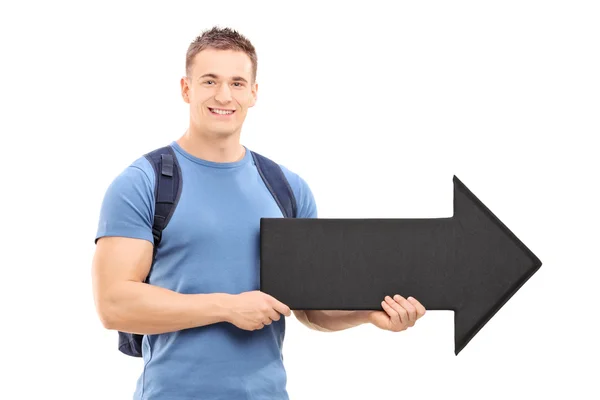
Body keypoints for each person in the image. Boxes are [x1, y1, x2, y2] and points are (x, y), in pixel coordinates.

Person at [91, 26, 426, 400]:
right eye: (209, 81)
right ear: (186, 89)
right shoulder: (144, 182)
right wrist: (227, 308)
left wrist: (368, 314)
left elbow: (311, 308)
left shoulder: (287, 188)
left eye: (237, 83)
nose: (223, 95)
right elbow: (113, 304)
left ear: (253, 93)